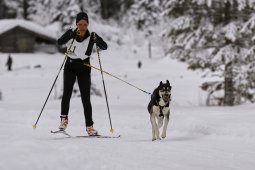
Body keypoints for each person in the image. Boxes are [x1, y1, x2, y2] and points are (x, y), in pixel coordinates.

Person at [57, 12, 107, 136]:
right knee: (67, 93)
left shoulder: (92, 36)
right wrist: (70, 35)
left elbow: (105, 47)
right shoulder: (71, 32)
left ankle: (89, 127)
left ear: (88, 24)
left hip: (84, 67)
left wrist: (98, 41)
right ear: (76, 24)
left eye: (85, 24)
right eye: (80, 24)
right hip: (70, 66)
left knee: (86, 98)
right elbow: (59, 42)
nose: (82, 27)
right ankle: (64, 120)